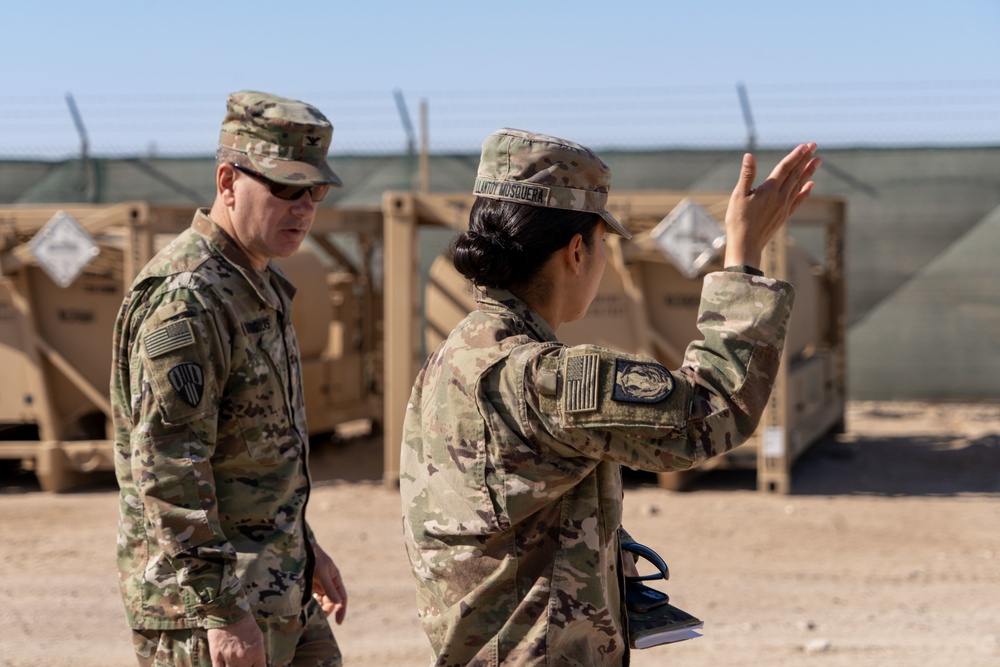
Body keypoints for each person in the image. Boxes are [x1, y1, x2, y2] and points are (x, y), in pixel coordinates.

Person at [400, 127, 820, 666]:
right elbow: (712, 411)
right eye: (604, 242)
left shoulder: (454, 354)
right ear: (578, 251)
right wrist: (741, 257)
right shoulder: (543, 377)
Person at [111, 90, 348, 667]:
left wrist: (305, 545)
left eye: (314, 191)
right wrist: (220, 609)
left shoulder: (253, 284)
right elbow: (168, 469)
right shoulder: (188, 300)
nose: (303, 207)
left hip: (274, 582)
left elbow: (257, 454)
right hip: (208, 608)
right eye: (285, 189)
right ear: (227, 182)